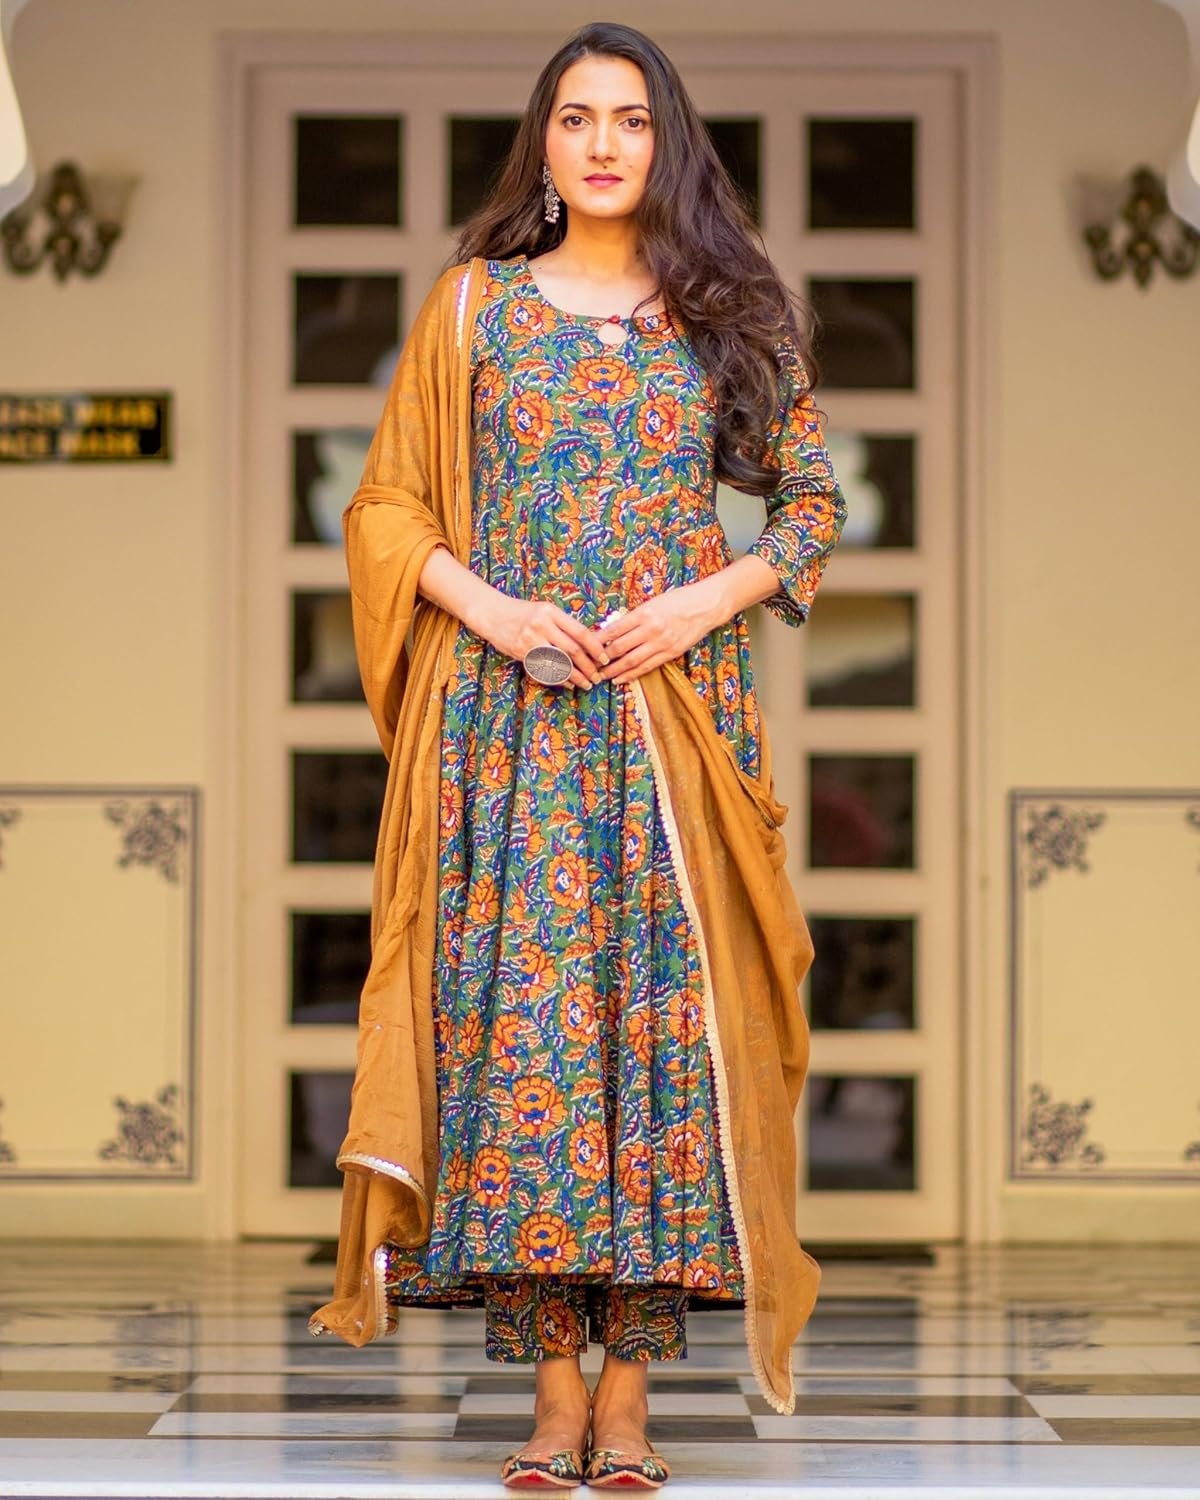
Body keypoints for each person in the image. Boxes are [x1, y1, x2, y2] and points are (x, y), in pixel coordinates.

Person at [309, 20, 847, 1492]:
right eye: (575, 117)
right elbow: (388, 509)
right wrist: (495, 613)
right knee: (533, 1043)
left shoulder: (728, 311)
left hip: (674, 737)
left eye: (631, 119)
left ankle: (631, 1402)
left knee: (665, 1046)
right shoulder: (473, 309)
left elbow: (809, 505)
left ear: (668, 143)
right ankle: (555, 1399)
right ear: (541, 144)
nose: (604, 143)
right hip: (513, 732)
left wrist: (701, 601)